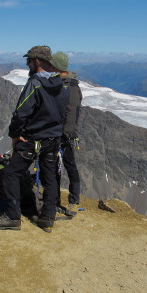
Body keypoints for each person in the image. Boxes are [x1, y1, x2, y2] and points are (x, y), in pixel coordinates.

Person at [0, 45, 68, 232]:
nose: (27, 63)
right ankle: (48, 217)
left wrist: (15, 135)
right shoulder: (61, 84)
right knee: (49, 176)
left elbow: (21, 112)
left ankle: (12, 217)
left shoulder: (35, 83)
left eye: (29, 60)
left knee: (11, 173)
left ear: (37, 61)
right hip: (53, 139)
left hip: (33, 139)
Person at [51, 51, 82, 217]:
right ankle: (56, 200)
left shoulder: (69, 87)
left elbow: (70, 112)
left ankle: (73, 201)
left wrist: (64, 134)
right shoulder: (67, 85)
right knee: (57, 167)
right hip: (61, 133)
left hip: (64, 135)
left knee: (68, 167)